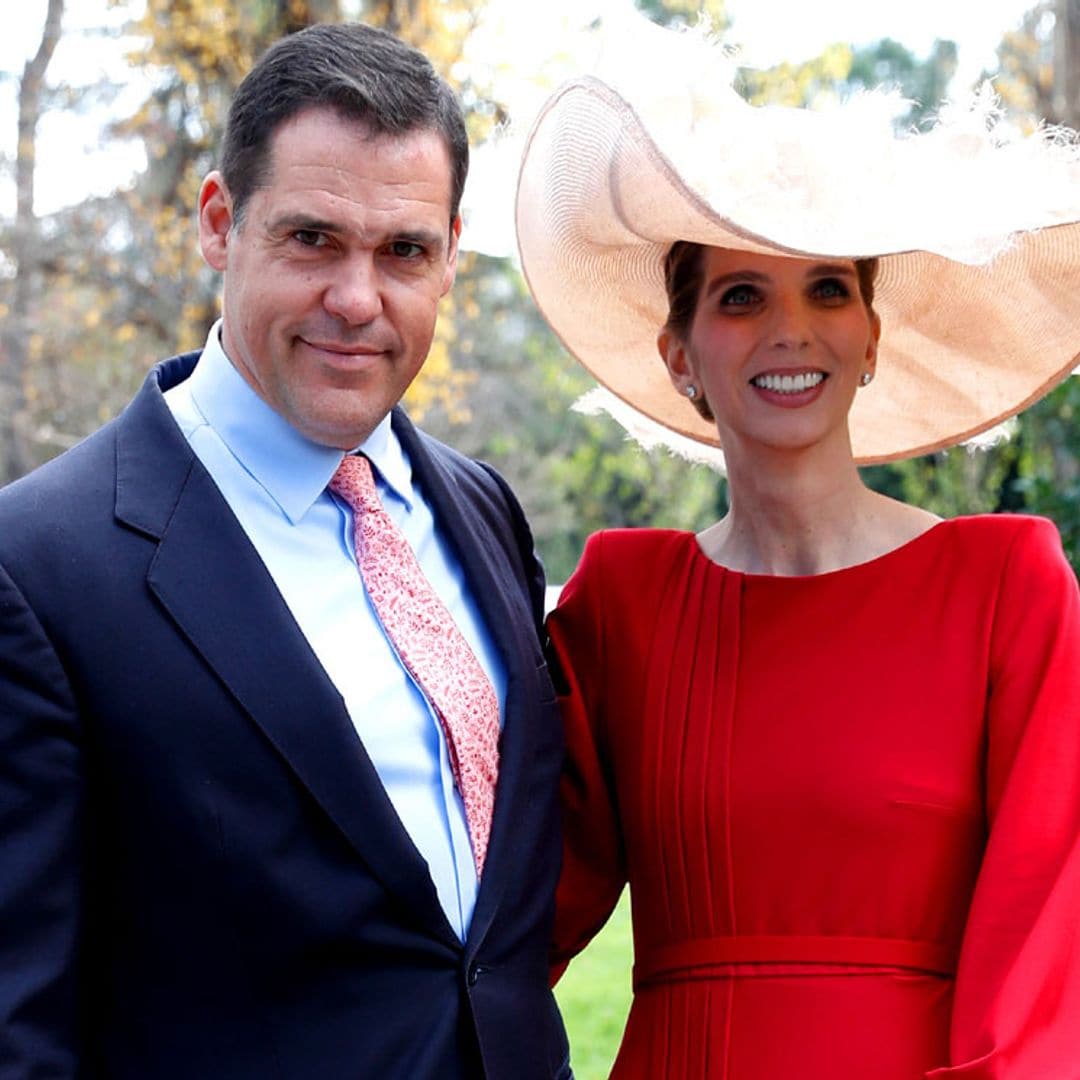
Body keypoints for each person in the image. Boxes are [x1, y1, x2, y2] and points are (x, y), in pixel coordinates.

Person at [0, 22, 570, 1079]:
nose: (357, 301)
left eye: (403, 251)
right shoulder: (38, 567)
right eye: (313, 239)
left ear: (450, 252)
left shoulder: (484, 511)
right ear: (220, 223)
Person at [515, 61, 1080, 1079]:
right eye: (741, 296)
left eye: (829, 288)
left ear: (869, 338)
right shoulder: (621, 606)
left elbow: (1050, 938)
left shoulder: (1008, 585)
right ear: (679, 354)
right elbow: (509, 919)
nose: (792, 328)